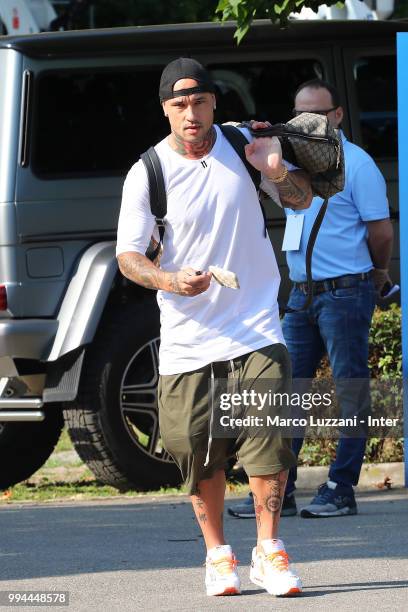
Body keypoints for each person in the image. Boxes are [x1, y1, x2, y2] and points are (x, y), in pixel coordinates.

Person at [116, 58, 313, 596]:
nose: (191, 114)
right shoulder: (148, 172)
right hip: (188, 336)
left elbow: (302, 199)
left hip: (256, 325)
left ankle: (270, 551)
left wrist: (274, 169)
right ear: (165, 110)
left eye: (199, 102)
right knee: (196, 448)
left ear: (213, 103)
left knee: (268, 443)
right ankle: (218, 555)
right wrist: (169, 280)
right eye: (179, 105)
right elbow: (128, 257)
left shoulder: (243, 149)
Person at [228, 78, 393, 520]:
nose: (308, 123)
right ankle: (280, 485)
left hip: (345, 290)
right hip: (301, 294)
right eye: (300, 115)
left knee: (350, 390)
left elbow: (381, 231)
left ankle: (341, 487)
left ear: (337, 116)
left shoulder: (357, 164)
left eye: (318, 115)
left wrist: (378, 273)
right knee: (286, 391)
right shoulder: (287, 162)